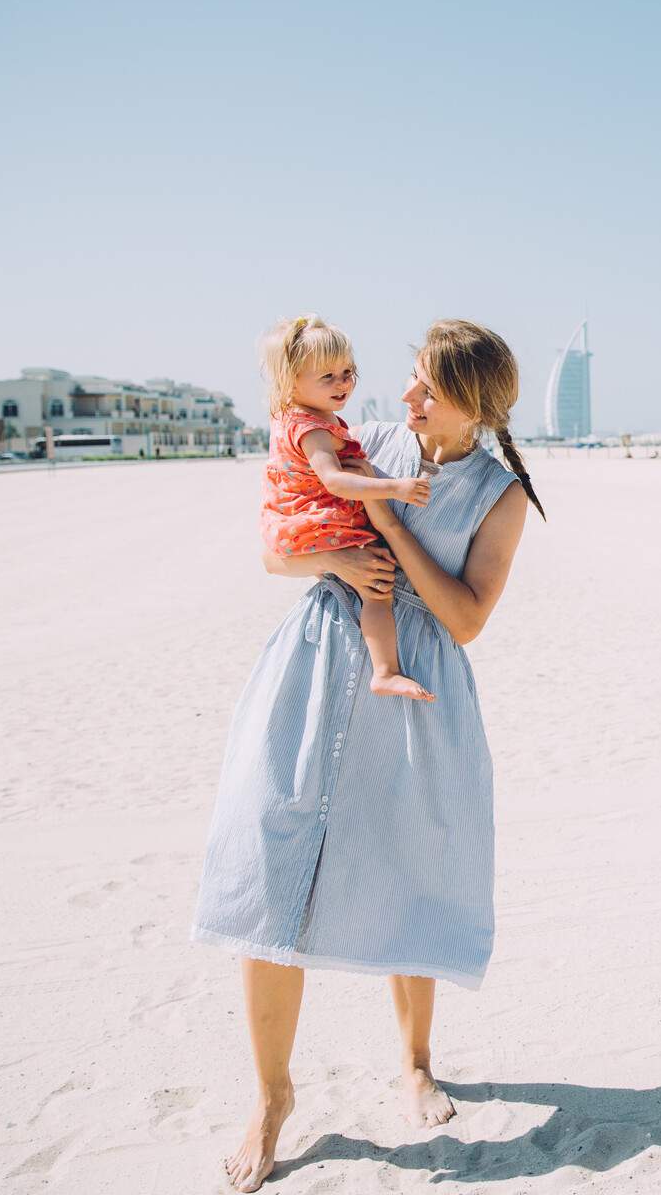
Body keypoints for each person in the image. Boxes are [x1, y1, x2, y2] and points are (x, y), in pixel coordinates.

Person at [194, 318, 545, 1193]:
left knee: (412, 868)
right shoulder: (362, 439)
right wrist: (345, 556)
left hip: (419, 684)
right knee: (273, 858)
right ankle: (273, 1097)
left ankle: (416, 1062)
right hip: (316, 661)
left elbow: (465, 618)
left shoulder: (501, 495)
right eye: (412, 380)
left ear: (474, 402)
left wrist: (386, 520)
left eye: (426, 386)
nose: (407, 397)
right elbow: (278, 550)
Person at [257, 315, 436, 703]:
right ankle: (385, 670)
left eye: (348, 372)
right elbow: (334, 481)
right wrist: (395, 487)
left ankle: (384, 671)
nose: (343, 384)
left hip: (301, 517)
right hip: (320, 519)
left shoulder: (307, 418)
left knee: (371, 583)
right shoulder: (313, 429)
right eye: (328, 377)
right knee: (377, 587)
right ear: (291, 381)